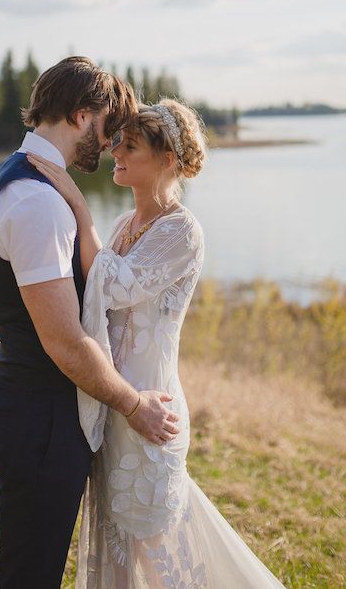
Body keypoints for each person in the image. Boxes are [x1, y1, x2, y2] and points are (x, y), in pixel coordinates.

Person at [27, 97, 285, 588]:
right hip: (115, 404)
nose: (115, 152)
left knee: (156, 554)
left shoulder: (183, 231)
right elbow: (97, 289)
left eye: (131, 147)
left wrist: (79, 210)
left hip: (152, 410)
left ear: (167, 160)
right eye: (118, 143)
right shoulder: (124, 227)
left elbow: (117, 284)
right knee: (118, 552)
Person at [0, 58, 182, 589]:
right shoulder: (38, 203)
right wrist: (134, 405)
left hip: (32, 410)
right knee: (29, 576)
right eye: (110, 127)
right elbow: (65, 342)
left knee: (28, 568)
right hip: (38, 417)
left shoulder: (17, 178)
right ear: (83, 114)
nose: (111, 142)